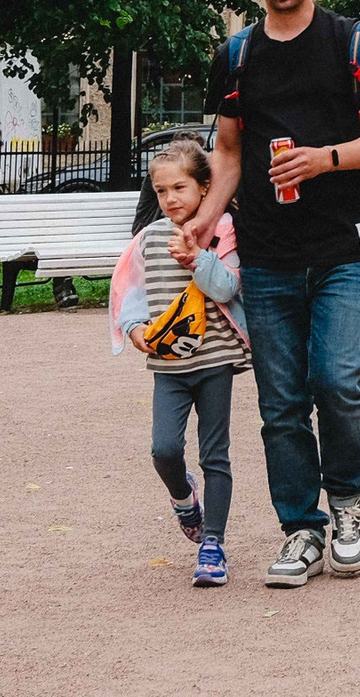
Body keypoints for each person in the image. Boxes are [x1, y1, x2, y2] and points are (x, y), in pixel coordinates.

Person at [180, 0, 360, 590]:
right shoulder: (237, 56)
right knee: (280, 400)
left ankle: (347, 506)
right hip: (268, 249)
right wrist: (202, 221)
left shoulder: (356, 43)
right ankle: (301, 529)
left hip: (343, 241)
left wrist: (324, 159)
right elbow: (227, 153)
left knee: (335, 380)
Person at [111, 137, 247, 589]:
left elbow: (228, 287)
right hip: (168, 366)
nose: (170, 199)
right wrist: (134, 328)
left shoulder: (222, 228)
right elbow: (131, 290)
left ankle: (213, 544)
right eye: (162, 190)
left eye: (180, 188)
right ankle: (184, 498)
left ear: (205, 188)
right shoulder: (149, 238)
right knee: (164, 450)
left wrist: (198, 259)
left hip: (215, 360)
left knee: (215, 454)